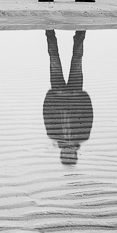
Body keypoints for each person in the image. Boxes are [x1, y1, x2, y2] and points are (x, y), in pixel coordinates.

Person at [43, 30, 93, 165]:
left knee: (53, 58)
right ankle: (81, 32)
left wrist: (50, 96)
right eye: (70, 156)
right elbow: (88, 114)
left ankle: (49, 31)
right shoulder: (83, 137)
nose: (68, 152)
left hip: (57, 93)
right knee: (77, 59)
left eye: (66, 155)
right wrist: (84, 96)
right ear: (75, 154)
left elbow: (47, 114)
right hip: (76, 92)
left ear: (61, 154)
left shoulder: (53, 136)